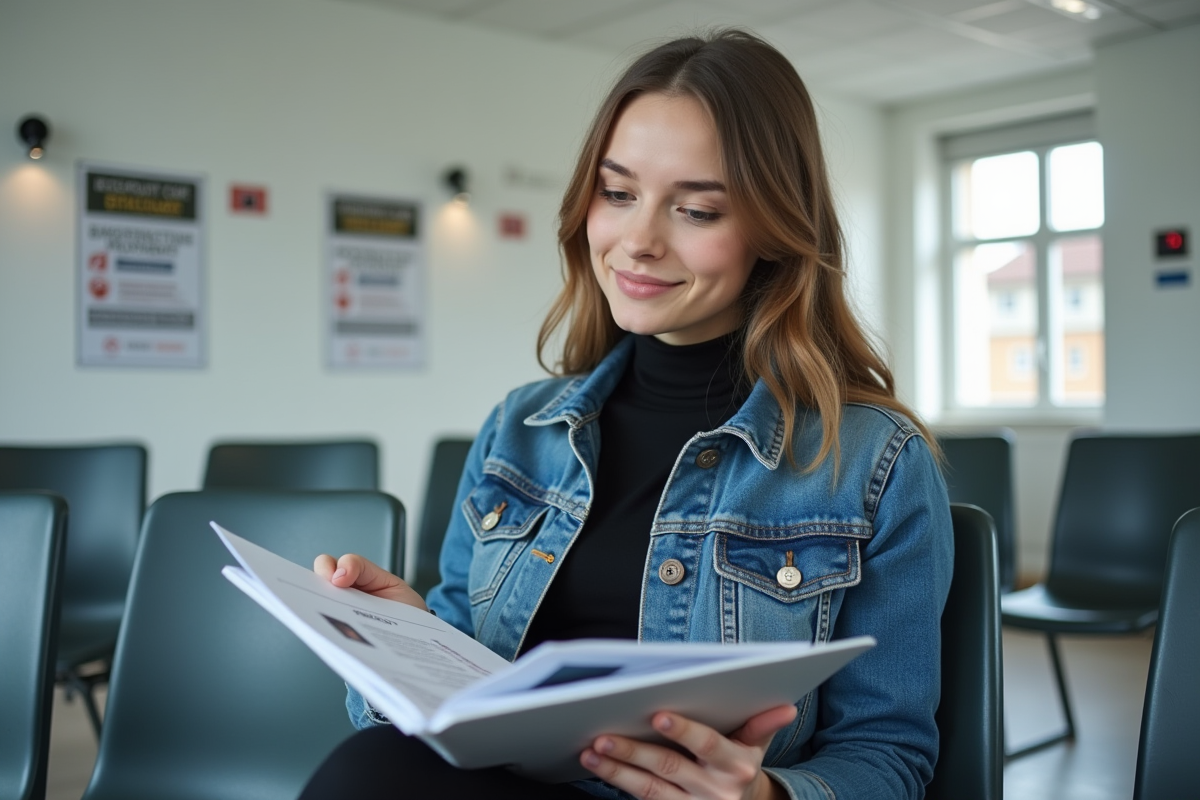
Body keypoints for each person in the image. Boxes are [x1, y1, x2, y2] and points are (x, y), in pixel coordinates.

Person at [303, 27, 952, 800]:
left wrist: (763, 796)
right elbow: (458, 691)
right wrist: (407, 639)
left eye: (697, 210)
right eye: (618, 194)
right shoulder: (520, 429)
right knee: (372, 765)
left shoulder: (874, 461)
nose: (639, 241)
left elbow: (888, 754)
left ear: (775, 231)